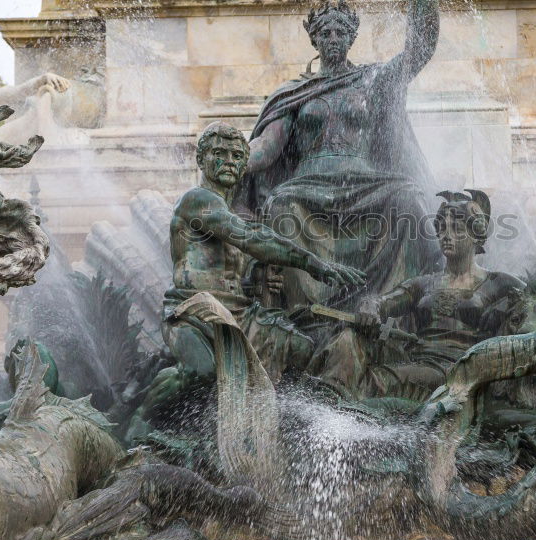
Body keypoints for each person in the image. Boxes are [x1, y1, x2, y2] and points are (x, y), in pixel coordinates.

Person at [126, 123, 365, 440]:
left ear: (244, 166)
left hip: (240, 315)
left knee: (302, 348)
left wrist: (260, 282)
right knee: (201, 372)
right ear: (202, 159)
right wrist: (312, 262)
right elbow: (249, 237)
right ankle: (138, 420)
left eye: (237, 155)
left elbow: (239, 272)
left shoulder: (229, 212)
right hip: (194, 314)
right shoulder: (197, 200)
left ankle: (282, 422)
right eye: (219, 153)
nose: (229, 161)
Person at [239, 0, 442, 309]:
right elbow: (268, 147)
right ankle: (302, 315)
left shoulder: (373, 81)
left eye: (339, 33)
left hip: (364, 182)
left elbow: (421, 48)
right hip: (308, 185)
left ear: (351, 38)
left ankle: (399, 307)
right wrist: (235, 157)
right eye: (325, 33)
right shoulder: (296, 93)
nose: (332, 38)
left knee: (408, 201)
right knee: (281, 205)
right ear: (315, 40)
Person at [310, 191, 522, 400]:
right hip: (415, 360)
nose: (446, 235)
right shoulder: (423, 283)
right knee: (349, 338)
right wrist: (370, 308)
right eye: (442, 229)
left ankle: (340, 406)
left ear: (476, 235)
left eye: (456, 229)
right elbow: (382, 301)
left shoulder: (499, 284)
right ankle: (328, 404)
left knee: (379, 379)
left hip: (455, 371)